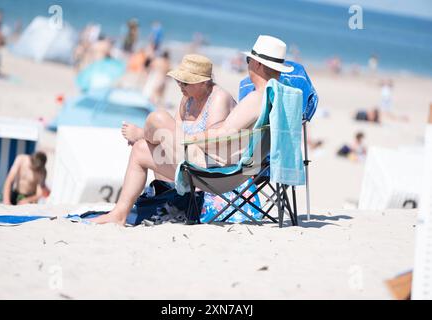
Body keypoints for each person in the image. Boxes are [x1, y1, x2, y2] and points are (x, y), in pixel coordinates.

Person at [92, 35, 291, 225]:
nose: (247, 64)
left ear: (257, 64)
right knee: (140, 150)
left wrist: (188, 138)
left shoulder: (256, 98)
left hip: (214, 169)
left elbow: (222, 134)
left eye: (249, 60)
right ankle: (119, 214)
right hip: (220, 166)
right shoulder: (271, 97)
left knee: (158, 117)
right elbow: (227, 133)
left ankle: (143, 134)